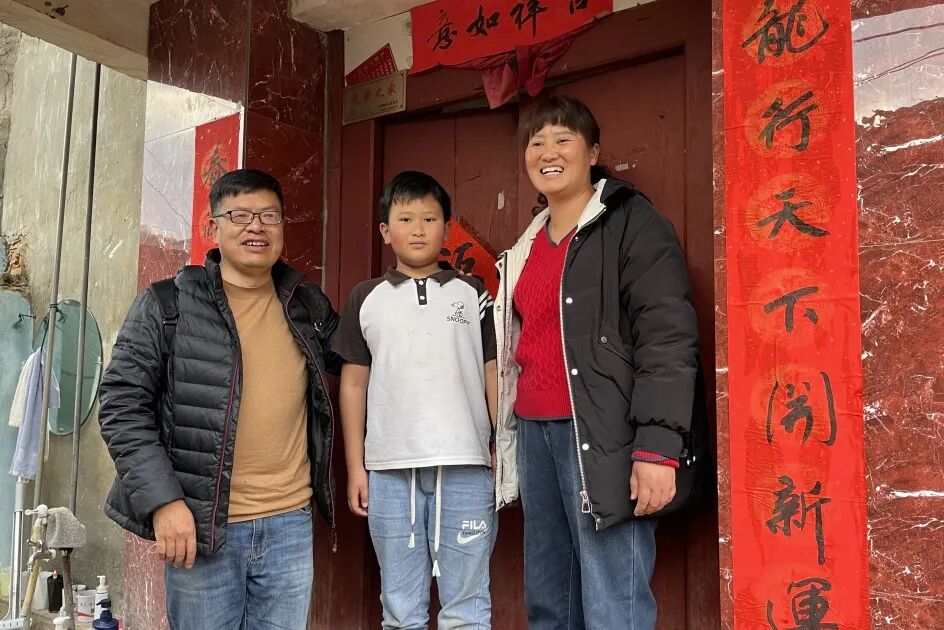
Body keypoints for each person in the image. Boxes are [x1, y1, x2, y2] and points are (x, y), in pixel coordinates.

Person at [98, 168, 340, 629]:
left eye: (269, 215)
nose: (256, 227)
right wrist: (164, 502)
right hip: (202, 527)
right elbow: (121, 406)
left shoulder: (305, 303)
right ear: (213, 227)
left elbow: (362, 358)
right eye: (240, 215)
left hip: (290, 525)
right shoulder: (167, 304)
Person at [493, 95, 702, 628]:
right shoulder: (527, 245)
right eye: (536, 142)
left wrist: (658, 449)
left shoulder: (632, 223)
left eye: (563, 139)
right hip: (536, 434)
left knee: (614, 604)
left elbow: (666, 337)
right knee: (550, 599)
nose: (548, 152)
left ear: (592, 152)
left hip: (604, 436)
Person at [334, 171, 499, 629]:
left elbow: (493, 370)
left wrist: (502, 447)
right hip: (389, 470)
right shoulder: (365, 298)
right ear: (385, 231)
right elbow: (353, 385)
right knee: (400, 609)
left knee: (467, 607)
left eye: (430, 218)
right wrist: (356, 467)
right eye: (405, 219)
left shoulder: (473, 294)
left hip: (466, 465)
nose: (419, 229)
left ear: (447, 228)